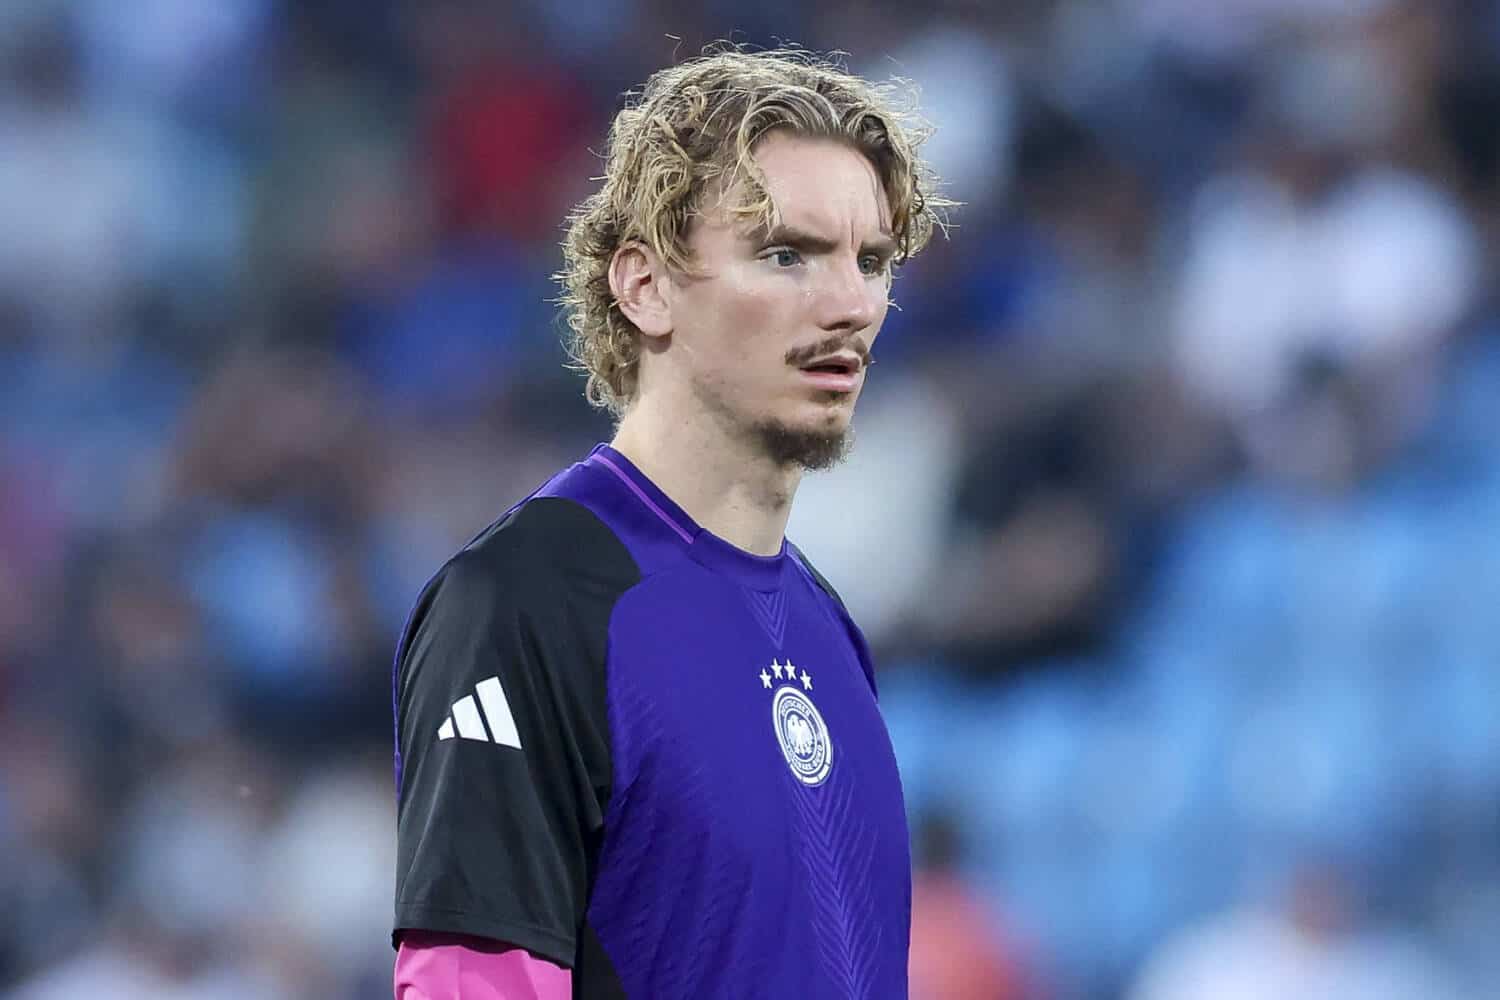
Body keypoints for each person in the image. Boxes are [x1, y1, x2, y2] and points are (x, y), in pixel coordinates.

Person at [390, 45, 946, 998]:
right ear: (644, 287)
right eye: (786, 254)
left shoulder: (827, 626)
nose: (852, 305)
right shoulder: (523, 603)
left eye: (871, 262)